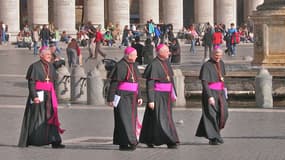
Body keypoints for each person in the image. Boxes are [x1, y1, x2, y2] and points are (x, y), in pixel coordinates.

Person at [18, 46, 65, 148]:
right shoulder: (34, 66)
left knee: (51, 118)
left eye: (50, 55)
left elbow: (53, 82)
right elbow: (31, 83)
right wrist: (34, 96)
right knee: (36, 118)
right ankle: (30, 140)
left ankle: (55, 141)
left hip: (49, 96)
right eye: (47, 55)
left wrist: (55, 95)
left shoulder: (51, 66)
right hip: (39, 96)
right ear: (41, 55)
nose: (49, 56)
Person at [139, 44, 179, 149]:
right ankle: (170, 140)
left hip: (167, 95)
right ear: (159, 52)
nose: (168, 53)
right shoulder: (153, 64)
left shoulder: (166, 63)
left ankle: (149, 139)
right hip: (157, 96)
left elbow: (171, 79)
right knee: (163, 118)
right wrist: (151, 100)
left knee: (153, 119)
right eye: (166, 51)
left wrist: (174, 93)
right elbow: (150, 84)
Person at [107, 47, 143, 151]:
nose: (137, 56)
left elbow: (136, 83)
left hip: (132, 97)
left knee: (131, 119)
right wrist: (110, 98)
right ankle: (131, 141)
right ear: (129, 55)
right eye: (135, 54)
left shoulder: (134, 65)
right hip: (122, 96)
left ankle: (123, 142)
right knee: (123, 119)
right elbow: (114, 83)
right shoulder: (120, 65)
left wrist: (139, 96)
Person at [195, 48, 229, 145]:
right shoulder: (206, 66)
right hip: (210, 93)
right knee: (211, 115)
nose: (218, 57)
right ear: (212, 54)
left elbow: (222, 78)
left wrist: (225, 90)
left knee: (224, 114)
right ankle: (214, 137)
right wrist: (209, 96)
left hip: (220, 92)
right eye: (216, 55)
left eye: (220, 55)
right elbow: (204, 82)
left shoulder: (221, 63)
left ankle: (213, 133)